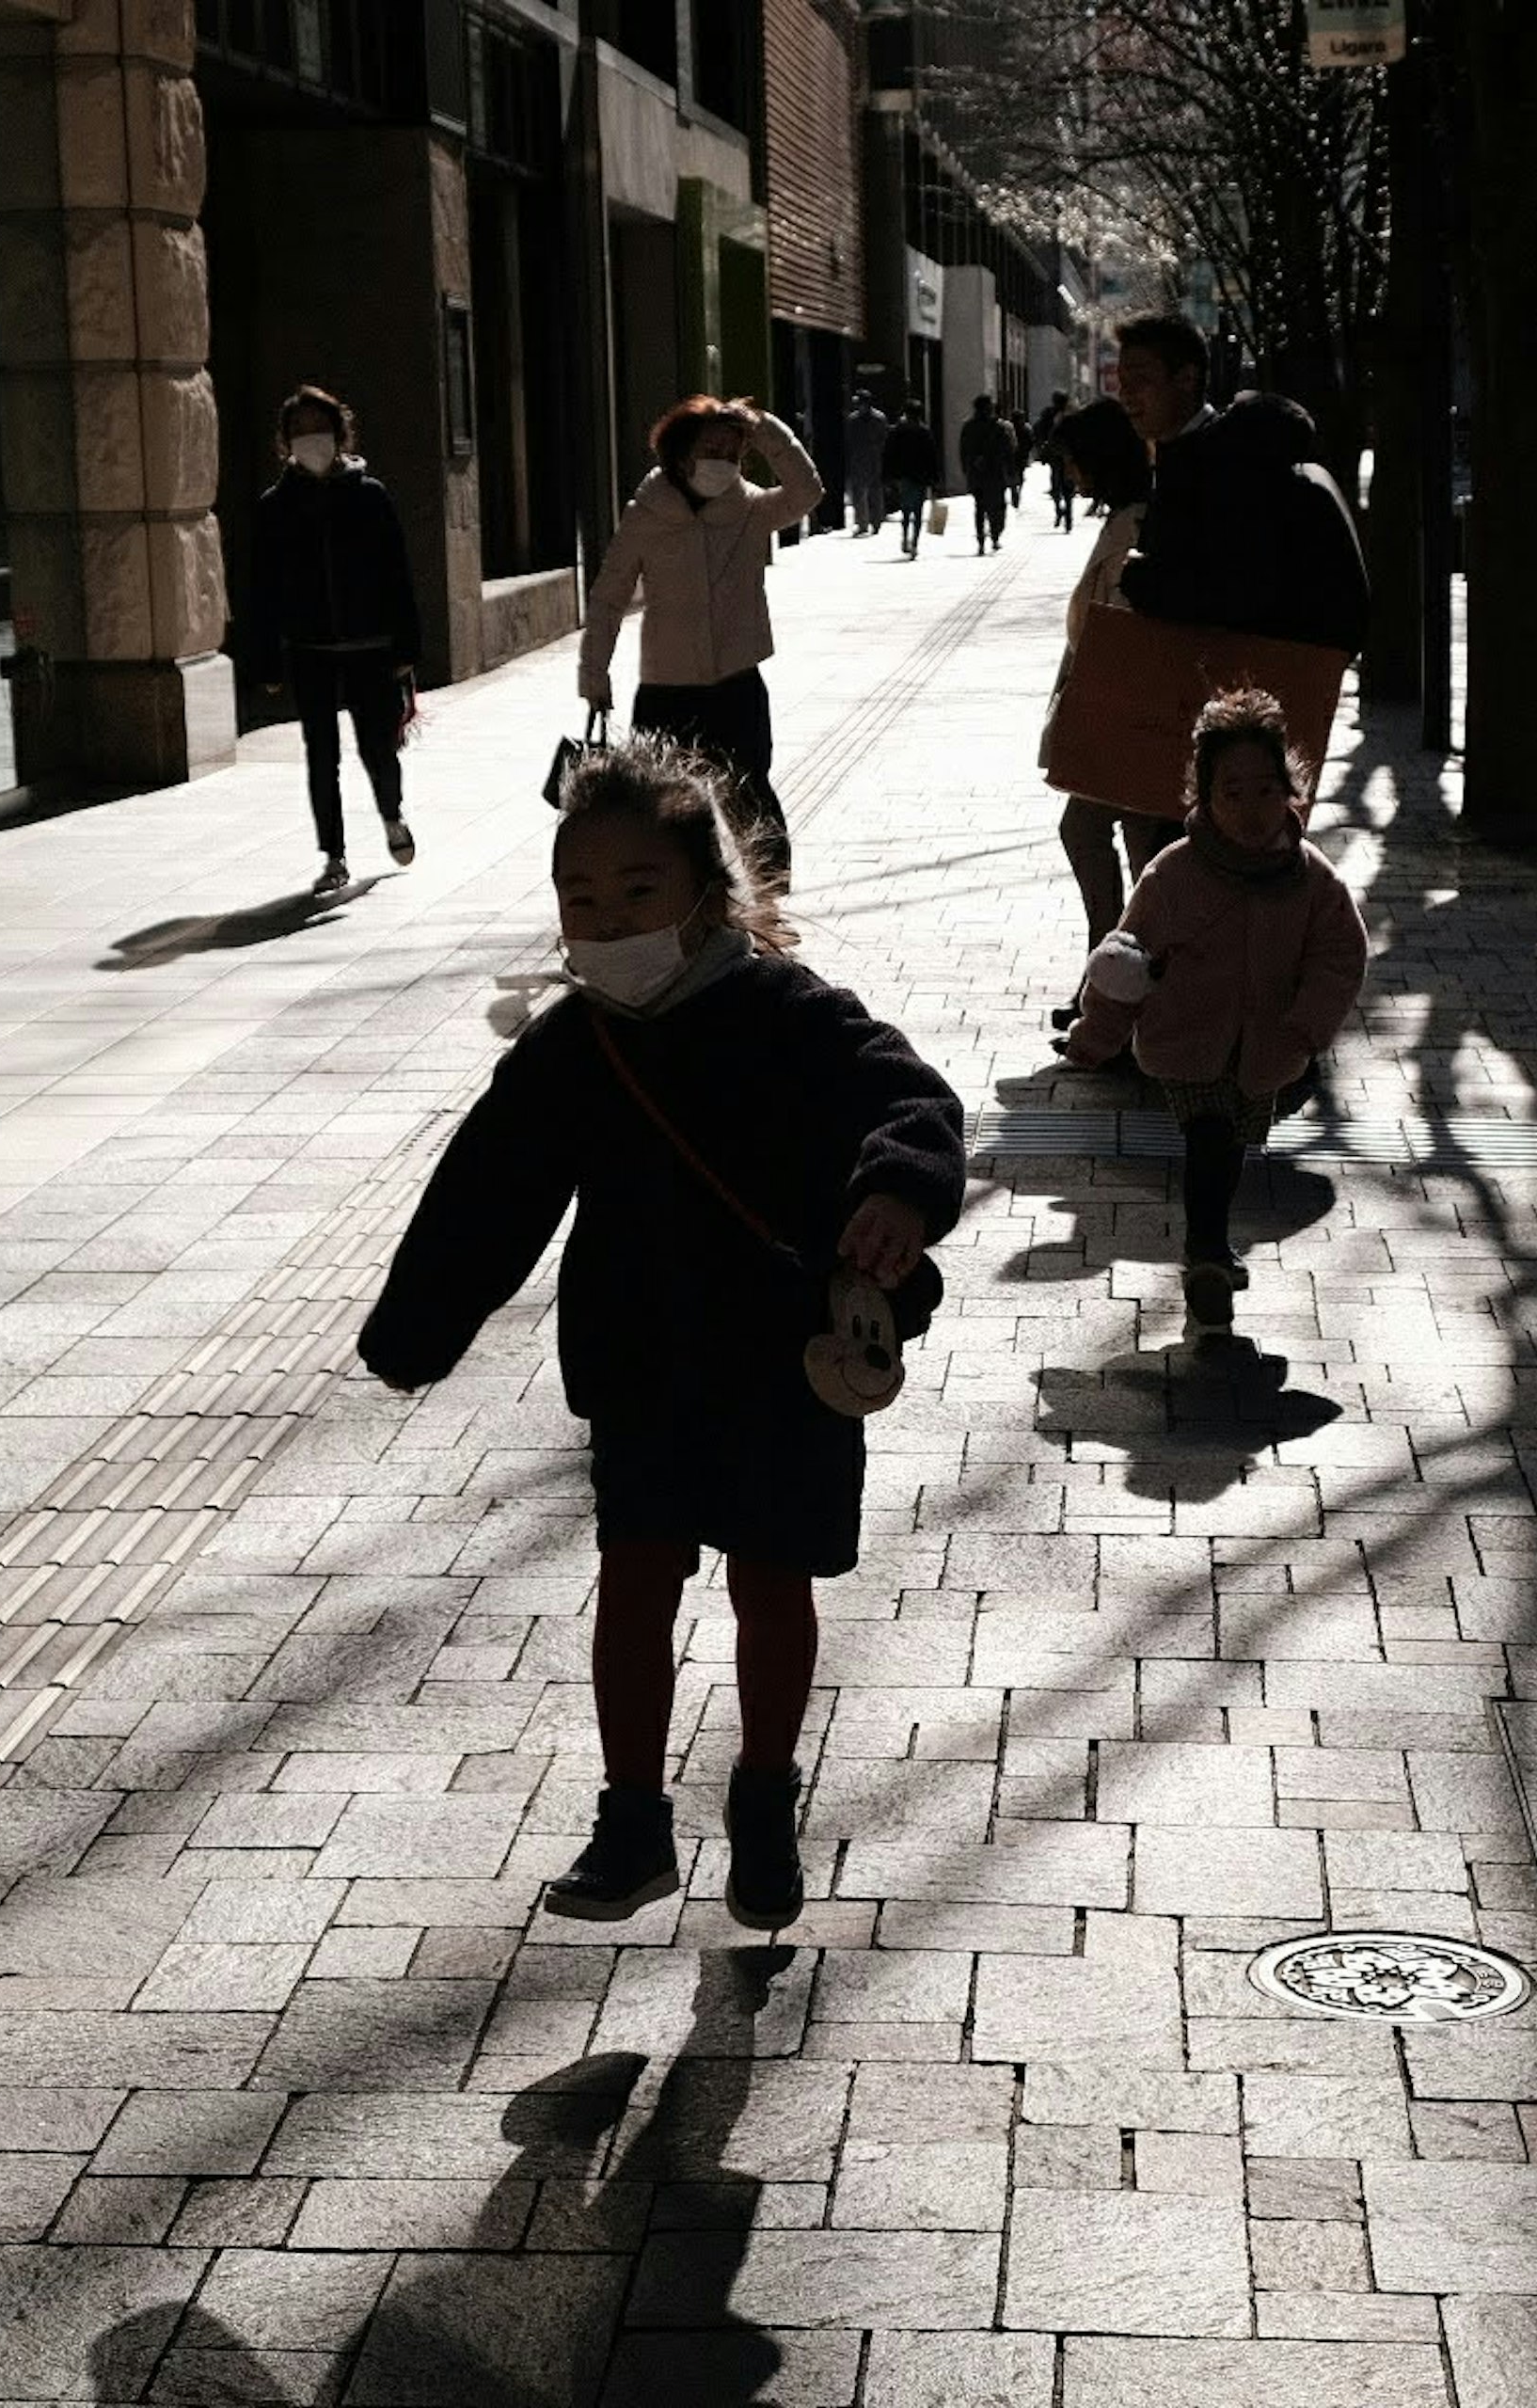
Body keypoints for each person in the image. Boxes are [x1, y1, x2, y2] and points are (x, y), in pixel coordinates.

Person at [356, 740, 966, 1928]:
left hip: (785, 1366)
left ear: (704, 892)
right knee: (635, 1579)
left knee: (770, 1583)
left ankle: (762, 1800)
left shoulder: (790, 1013)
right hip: (641, 1364)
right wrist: (414, 1331)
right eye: (580, 897)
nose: (606, 918)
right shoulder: (576, 1046)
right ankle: (631, 1820)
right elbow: (488, 1193)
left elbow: (913, 1098)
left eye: (637, 891)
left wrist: (895, 1186)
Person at [1059, 689, 1368, 1338]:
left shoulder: (1311, 879)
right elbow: (1128, 959)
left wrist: (1305, 1031)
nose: (1251, 811)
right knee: (1210, 1135)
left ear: (1291, 788)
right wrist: (1099, 1031)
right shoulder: (1175, 875)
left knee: (1231, 1138)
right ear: (1204, 796)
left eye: (1264, 791)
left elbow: (1342, 954)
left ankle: (1212, 1248)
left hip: (1270, 1046)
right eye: (1232, 794)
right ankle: (1206, 1255)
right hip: (1188, 1042)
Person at [581, 396, 825, 882]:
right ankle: (685, 903)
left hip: (737, 683)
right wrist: (594, 673)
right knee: (667, 809)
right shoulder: (646, 514)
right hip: (666, 689)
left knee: (750, 796)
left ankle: (771, 905)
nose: (724, 462)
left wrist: (764, 430)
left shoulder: (751, 509)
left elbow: (807, 491)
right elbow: (609, 596)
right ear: (681, 452)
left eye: (734, 453)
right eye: (712, 449)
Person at [238, 385, 420, 892]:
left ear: (340, 433)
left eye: (318, 428)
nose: (309, 439)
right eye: (298, 431)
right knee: (321, 756)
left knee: (379, 747)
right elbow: (263, 589)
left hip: (370, 647)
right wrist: (265, 662)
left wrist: (406, 649)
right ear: (285, 442)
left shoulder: (370, 496)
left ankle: (391, 815)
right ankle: (334, 855)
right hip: (309, 649)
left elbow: (397, 575)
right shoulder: (275, 508)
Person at [1110, 313, 1370, 655]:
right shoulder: (1193, 457)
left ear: (1187, 378)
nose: (1125, 394)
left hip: (1249, 686)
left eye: (1140, 379)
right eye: (1121, 380)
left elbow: (1243, 591)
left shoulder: (1228, 464)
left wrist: (1142, 581)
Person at [1038, 401, 1174, 949]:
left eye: (1074, 460)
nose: (1069, 471)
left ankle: (1119, 969)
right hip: (1123, 704)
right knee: (1134, 838)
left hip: (1128, 707)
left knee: (1097, 831)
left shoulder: (1137, 522)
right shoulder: (1130, 517)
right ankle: (1121, 973)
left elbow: (1123, 627)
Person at [880, 404, 943, 560]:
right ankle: (914, 542)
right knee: (918, 511)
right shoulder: (924, 432)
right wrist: (935, 480)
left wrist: (887, 476)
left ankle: (906, 538)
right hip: (920, 478)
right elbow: (932, 457)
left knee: (906, 510)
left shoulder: (897, 432)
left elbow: (888, 454)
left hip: (904, 477)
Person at [958, 394, 1017, 555]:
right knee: (997, 506)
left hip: (977, 473)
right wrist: (1011, 471)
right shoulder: (998, 426)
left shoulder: (968, 427)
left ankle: (981, 539)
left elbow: (963, 451)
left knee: (980, 507)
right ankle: (995, 535)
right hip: (995, 473)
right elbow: (1008, 451)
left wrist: (967, 468)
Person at [843, 392, 891, 536]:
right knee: (858, 493)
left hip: (874, 460)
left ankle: (875, 521)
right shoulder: (853, 420)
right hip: (858, 460)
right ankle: (862, 523)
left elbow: (885, 439)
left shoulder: (879, 419)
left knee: (875, 492)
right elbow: (849, 442)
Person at [1035, 392, 1078, 531]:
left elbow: (1039, 431)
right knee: (1066, 488)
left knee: (1059, 486)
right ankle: (1066, 515)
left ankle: (1063, 513)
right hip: (1065, 457)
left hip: (1058, 456)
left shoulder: (1066, 415)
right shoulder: (1071, 415)